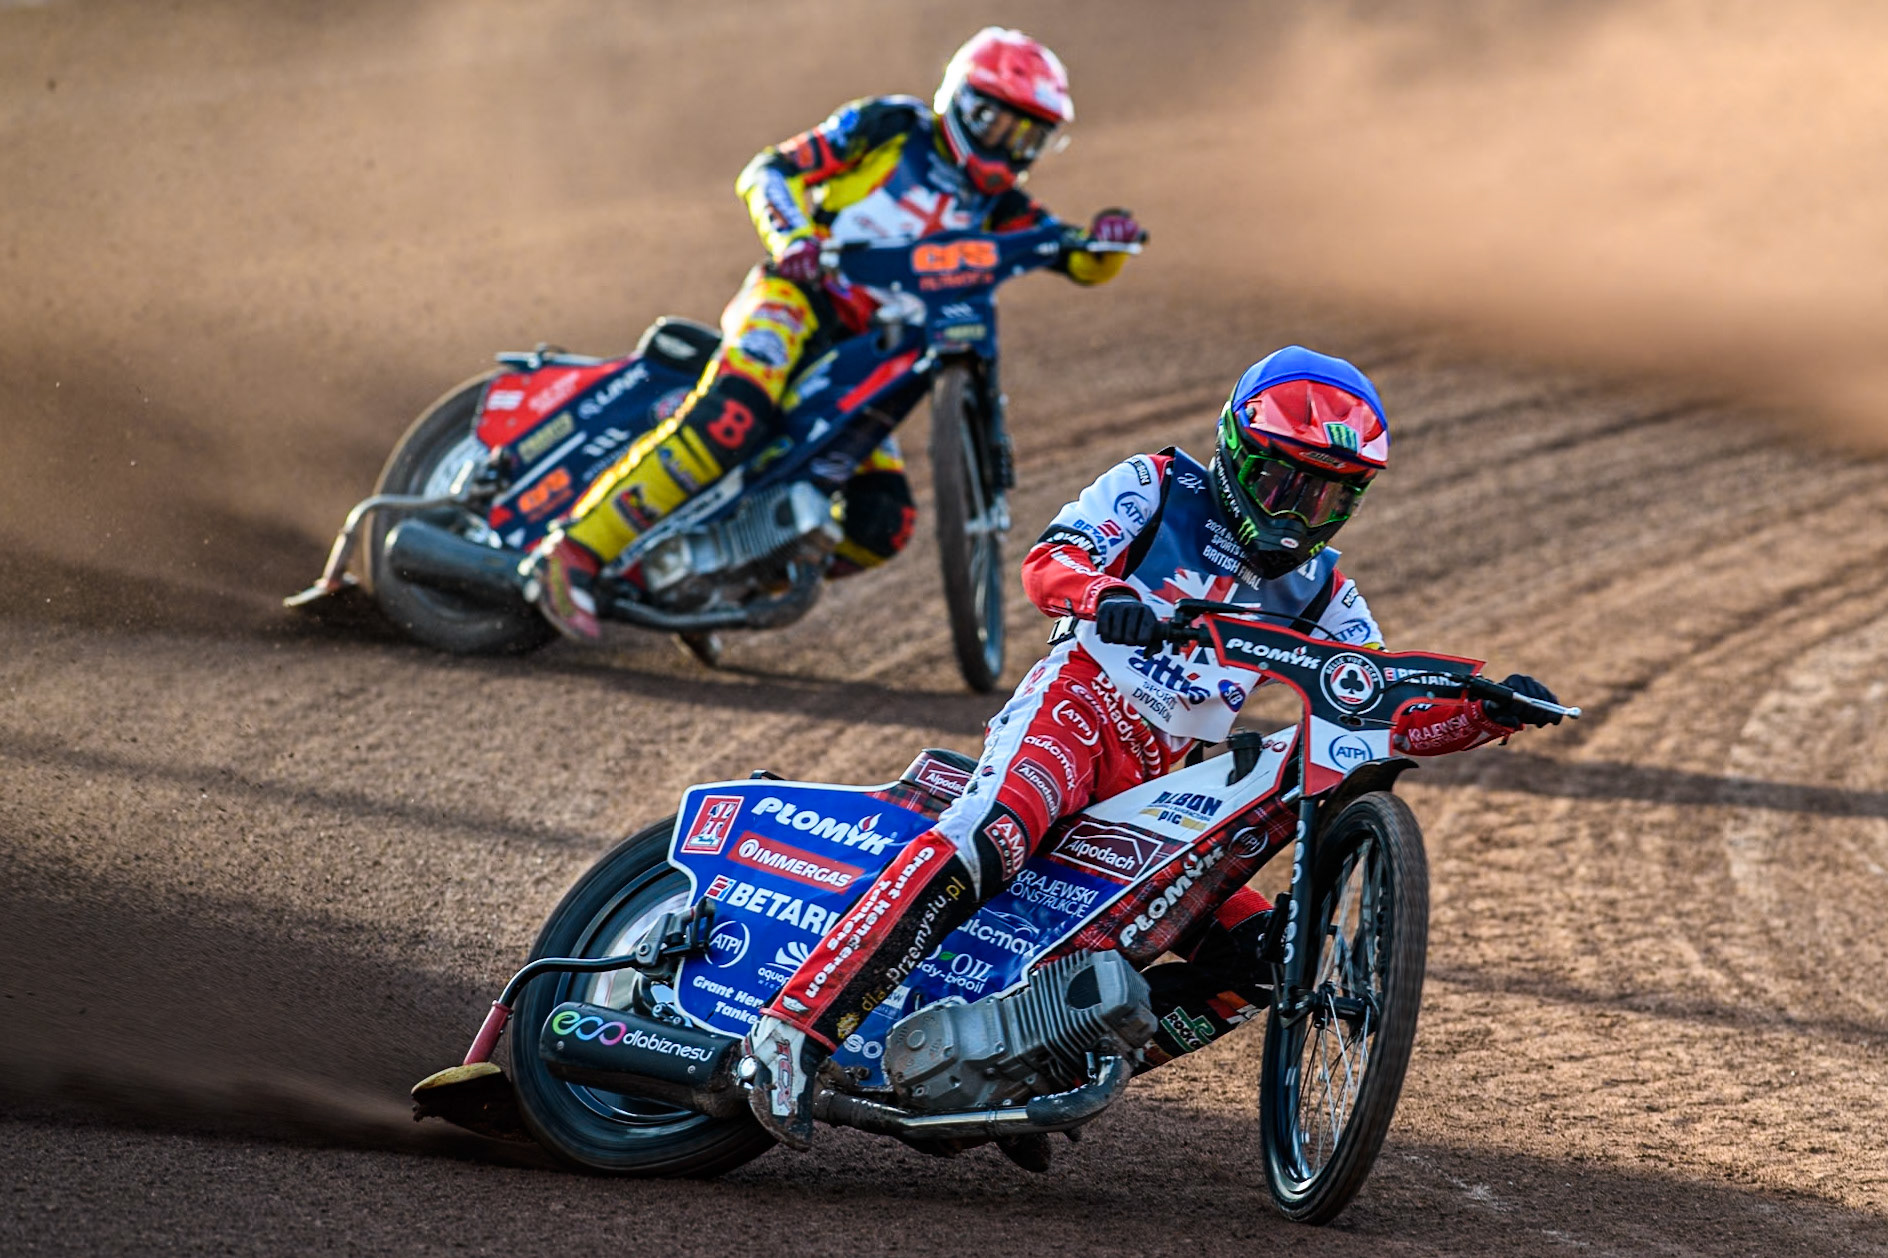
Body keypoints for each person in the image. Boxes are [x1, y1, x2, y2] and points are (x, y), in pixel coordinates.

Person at [740, 345, 1563, 1148]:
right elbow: (1047, 563)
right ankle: (791, 1033)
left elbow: (1373, 704)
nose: (1292, 515)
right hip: (1075, 711)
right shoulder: (1156, 485)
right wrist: (1103, 596)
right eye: (1279, 484)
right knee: (991, 837)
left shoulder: (1326, 593)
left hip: (1161, 782)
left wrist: (1487, 712)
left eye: (1323, 499)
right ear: (1235, 455)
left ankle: (1039, 1071)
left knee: (1265, 957)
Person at [526, 27, 1143, 640]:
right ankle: (573, 553)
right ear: (961, 101)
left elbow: (1076, 257)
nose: (1009, 146)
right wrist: (791, 236)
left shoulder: (1005, 207)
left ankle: (721, 581)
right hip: (797, 301)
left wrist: (1109, 242)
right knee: (730, 419)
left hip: (869, 356)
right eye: (997, 123)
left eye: (1028, 134)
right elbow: (770, 170)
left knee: (885, 521)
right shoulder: (889, 127)